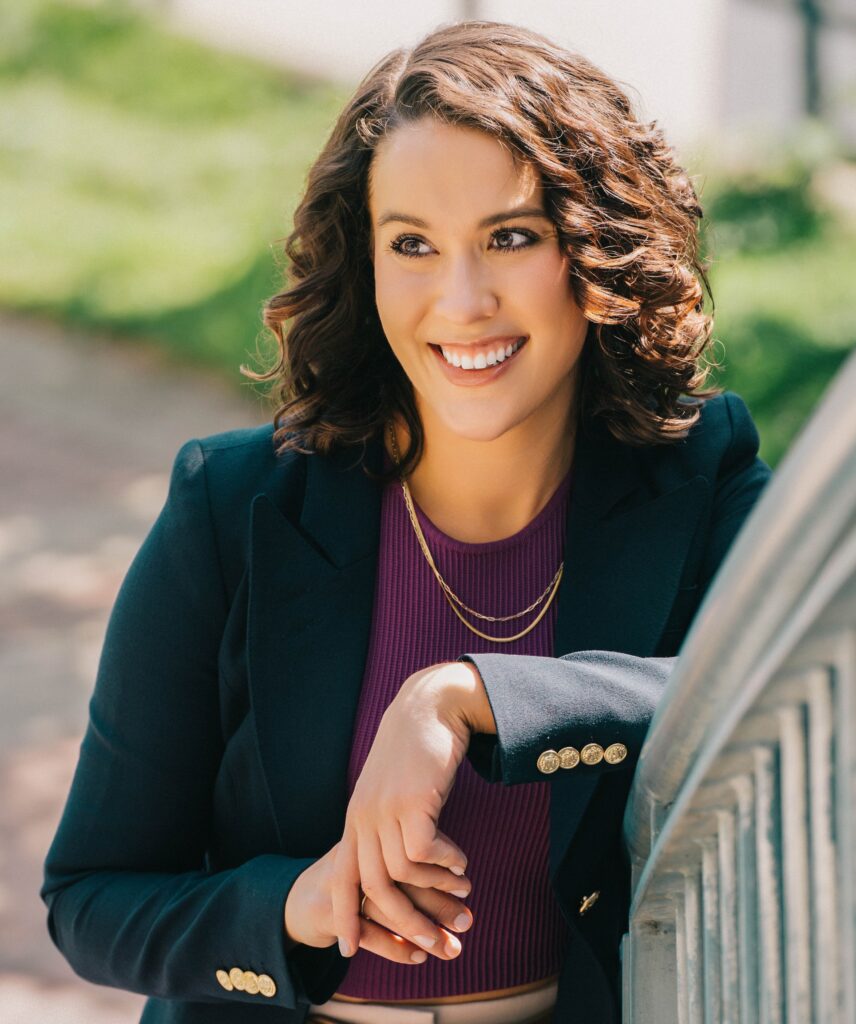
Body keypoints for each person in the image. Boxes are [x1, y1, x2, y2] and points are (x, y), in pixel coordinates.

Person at [40, 19, 772, 1024]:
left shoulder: (696, 476)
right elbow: (92, 898)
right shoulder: (234, 504)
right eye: (412, 245)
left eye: (510, 236)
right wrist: (290, 907)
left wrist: (468, 697)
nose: (460, 299)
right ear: (366, 259)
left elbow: (774, 682)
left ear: (593, 250)